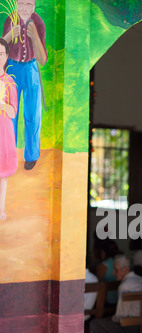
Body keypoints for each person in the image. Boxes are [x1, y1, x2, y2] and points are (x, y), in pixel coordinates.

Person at [3, 0, 48, 170]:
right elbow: (1, 49)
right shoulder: (10, 20)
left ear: (34, 5)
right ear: (16, 3)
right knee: (10, 113)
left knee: (32, 114)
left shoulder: (38, 22)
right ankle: (8, 154)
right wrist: (8, 36)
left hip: (31, 68)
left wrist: (34, 36)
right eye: (21, 4)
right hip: (13, 68)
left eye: (29, 4)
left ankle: (31, 156)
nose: (24, 8)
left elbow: (43, 60)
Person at [0, 38, 18, 221]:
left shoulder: (9, 83)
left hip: (3, 129)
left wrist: (3, 105)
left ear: (6, 57)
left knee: (2, 173)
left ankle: (1, 209)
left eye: (1, 54)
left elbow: (13, 112)